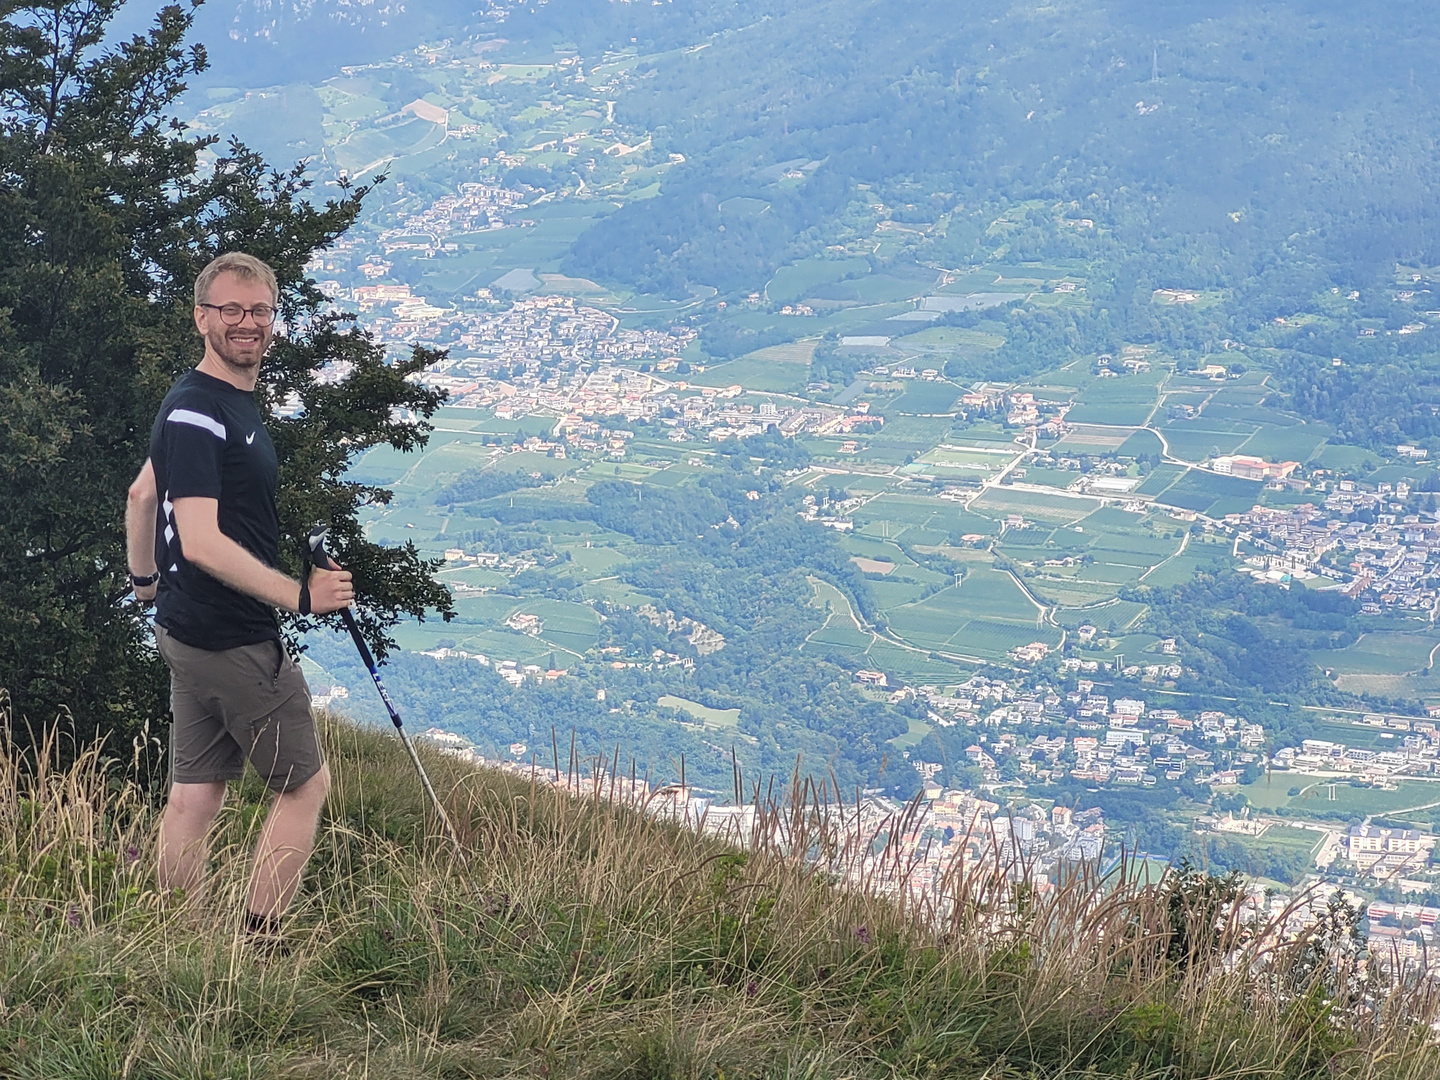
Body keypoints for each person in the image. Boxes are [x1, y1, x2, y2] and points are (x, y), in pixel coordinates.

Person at [125, 252, 353, 939]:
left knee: (196, 794)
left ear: (274, 321)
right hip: (231, 635)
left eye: (259, 311)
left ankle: (175, 940)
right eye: (230, 310)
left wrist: (143, 586)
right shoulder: (200, 411)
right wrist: (300, 597)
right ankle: (259, 949)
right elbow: (198, 538)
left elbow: (142, 496)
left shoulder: (208, 402)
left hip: (184, 627)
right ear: (202, 318)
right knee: (305, 788)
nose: (246, 323)